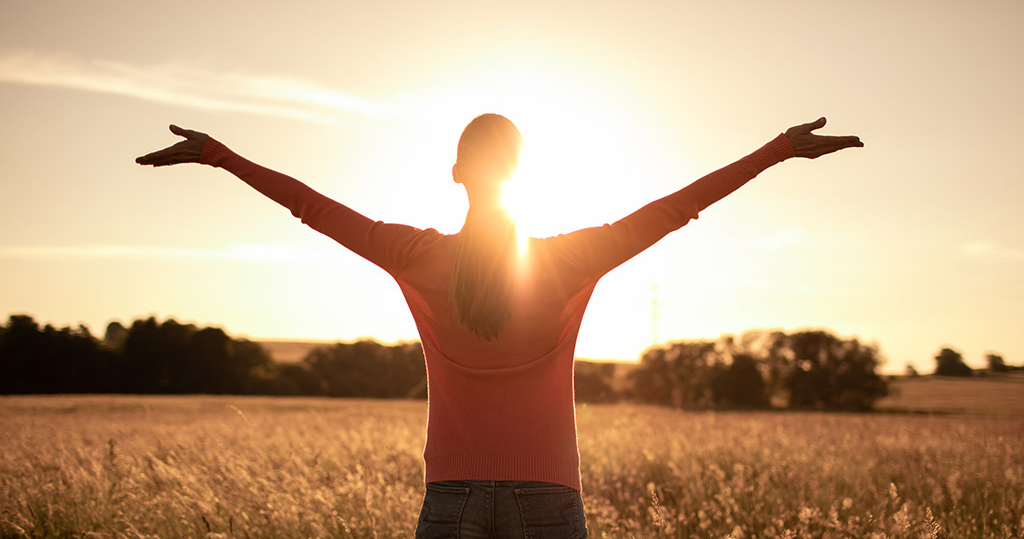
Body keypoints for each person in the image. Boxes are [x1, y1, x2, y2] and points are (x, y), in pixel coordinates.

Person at [137, 114, 862, 538]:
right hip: (549, 496)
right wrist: (777, 150)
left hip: (451, 497)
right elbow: (673, 209)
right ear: (523, 174)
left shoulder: (415, 255)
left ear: (458, 174)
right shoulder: (566, 261)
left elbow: (315, 208)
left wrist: (218, 154)